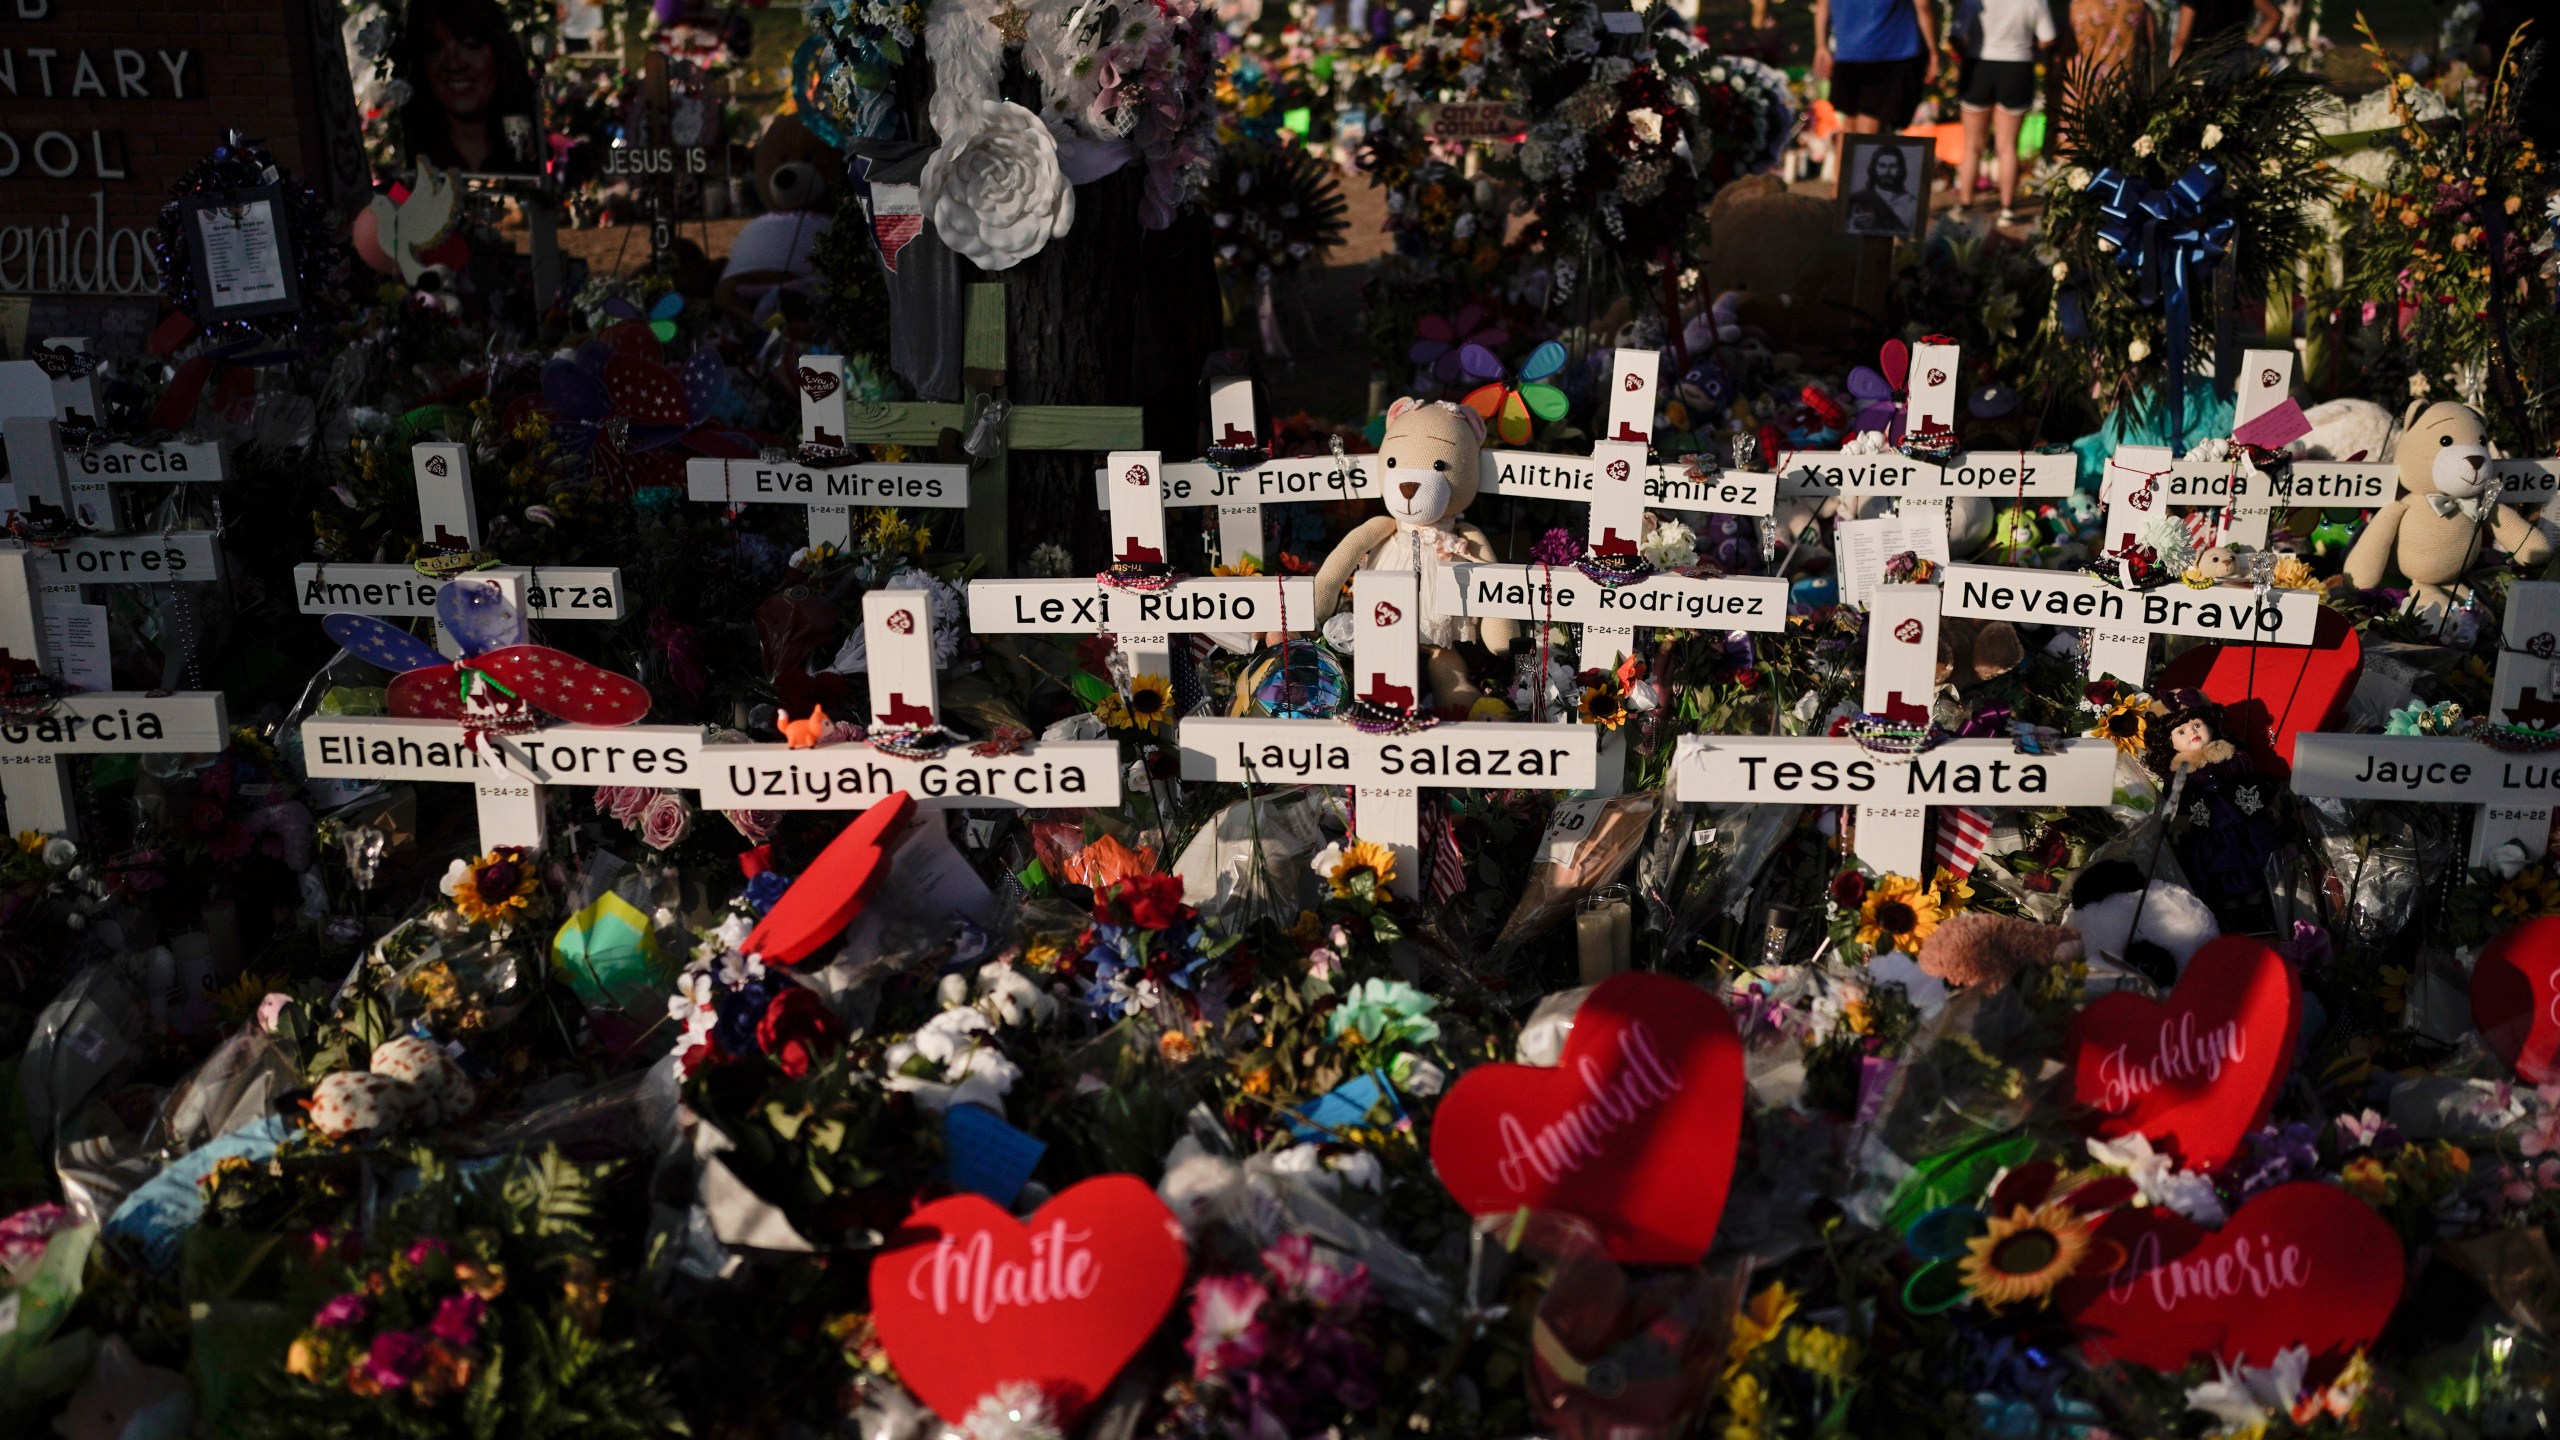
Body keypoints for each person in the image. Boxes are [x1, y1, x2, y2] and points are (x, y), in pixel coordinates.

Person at [397, 0, 543, 175]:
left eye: (469, 45)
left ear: (499, 53)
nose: (453, 64)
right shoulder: (401, 167)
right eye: (436, 48)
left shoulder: (543, 155)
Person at [1950, 0, 2055, 226]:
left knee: (1972, 145)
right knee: (2007, 146)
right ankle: (2007, 208)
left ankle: (1965, 205)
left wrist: (1967, 54)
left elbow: (1956, 34)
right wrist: (2029, 50)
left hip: (1978, 65)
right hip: (2017, 66)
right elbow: (2048, 37)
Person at [1814, 0, 1941, 134]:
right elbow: (1923, 6)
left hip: (1847, 52)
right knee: (1870, 130)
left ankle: (1845, 155)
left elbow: (1822, 4)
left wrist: (1821, 46)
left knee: (1849, 127)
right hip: (1889, 51)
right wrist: (1933, 52)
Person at [1844, 141, 1921, 234]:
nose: (1887, 172)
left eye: (1893, 166)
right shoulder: (1857, 200)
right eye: (1882, 166)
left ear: (1900, 169)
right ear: (1874, 168)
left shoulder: (1912, 205)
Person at [2169, 0, 2278, 64]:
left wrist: (2175, 77)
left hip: (2202, 62)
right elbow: (2274, 16)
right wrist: (2252, 43)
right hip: (2235, 62)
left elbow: (2181, 40)